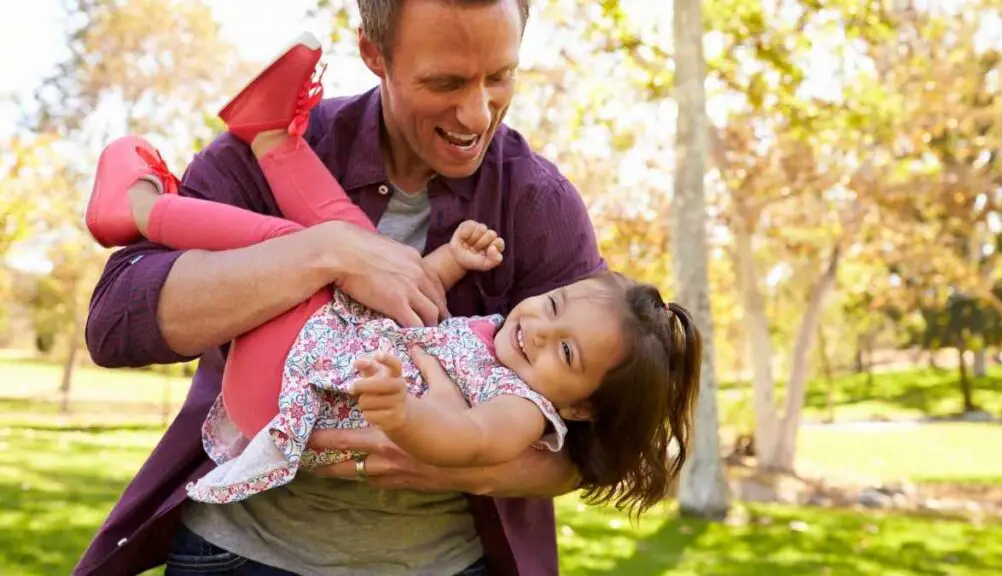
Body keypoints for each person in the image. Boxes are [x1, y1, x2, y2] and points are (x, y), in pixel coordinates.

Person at [71, 1, 651, 574]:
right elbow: (118, 323)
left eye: (499, 77)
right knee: (318, 229)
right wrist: (326, 254)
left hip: (444, 564)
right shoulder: (266, 156)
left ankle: (145, 207)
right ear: (374, 54)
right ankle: (142, 209)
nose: (476, 115)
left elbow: (596, 444)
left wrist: (461, 459)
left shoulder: (538, 202)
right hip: (240, 550)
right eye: (444, 81)